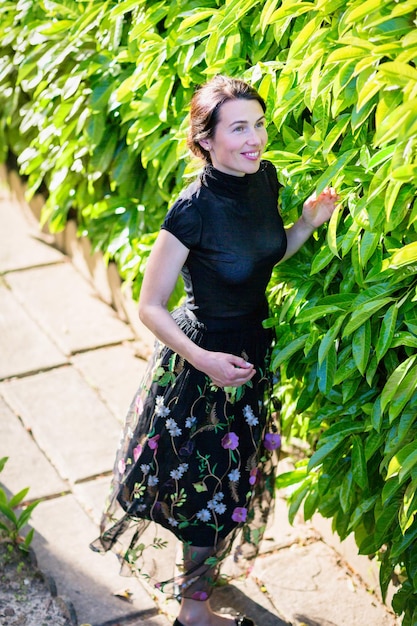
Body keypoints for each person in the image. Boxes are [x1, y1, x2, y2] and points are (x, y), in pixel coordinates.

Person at [91, 75, 338, 626]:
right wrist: (203, 361)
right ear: (206, 140)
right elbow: (150, 304)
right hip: (200, 362)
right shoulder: (191, 210)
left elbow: (261, 257)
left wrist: (305, 224)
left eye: (260, 124)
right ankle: (193, 615)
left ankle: (197, 599)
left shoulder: (265, 178)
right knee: (200, 489)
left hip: (250, 355)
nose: (256, 139)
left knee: (229, 481)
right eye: (240, 128)